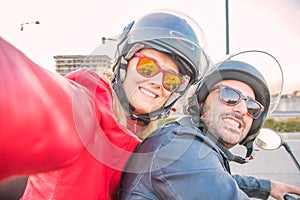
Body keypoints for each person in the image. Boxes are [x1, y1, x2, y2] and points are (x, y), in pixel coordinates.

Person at [0, 9, 211, 199]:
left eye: (171, 80)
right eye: (148, 66)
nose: (157, 82)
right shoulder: (88, 107)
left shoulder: (150, 142)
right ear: (124, 64)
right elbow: (32, 104)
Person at [119, 50, 300, 200]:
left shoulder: (189, 143)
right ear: (202, 101)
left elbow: (214, 179)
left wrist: (267, 187)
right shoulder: (180, 147)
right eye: (230, 96)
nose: (242, 109)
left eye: (252, 107)